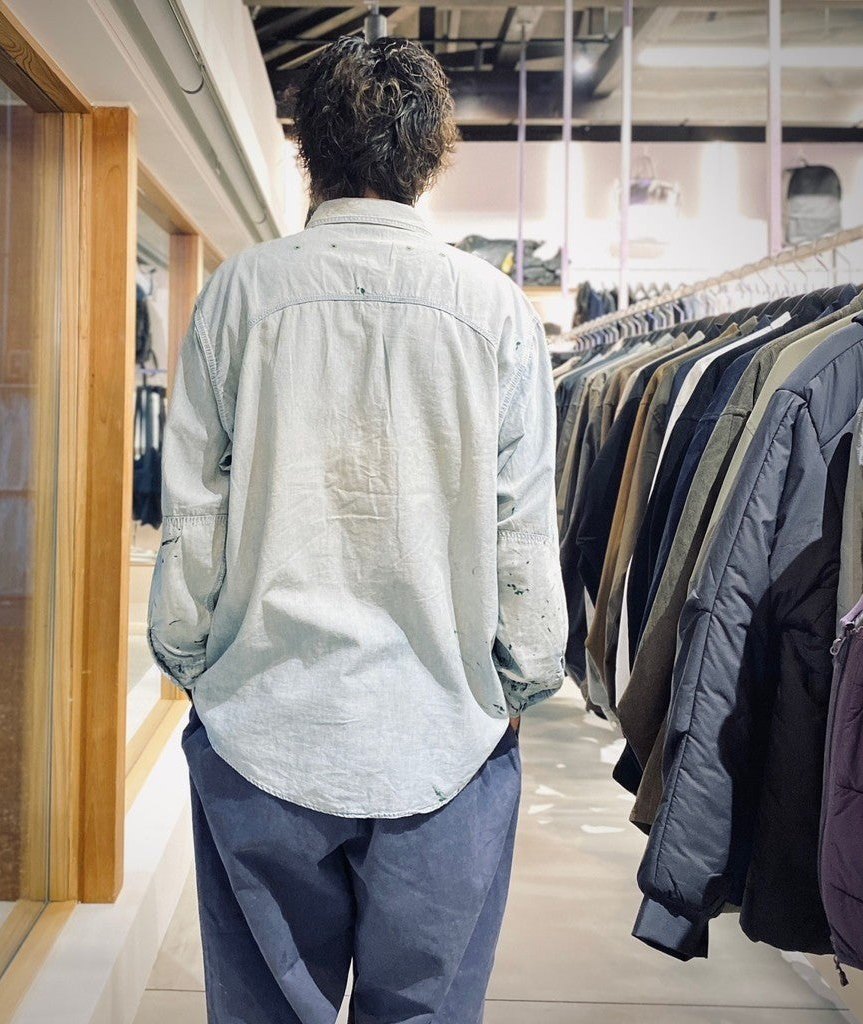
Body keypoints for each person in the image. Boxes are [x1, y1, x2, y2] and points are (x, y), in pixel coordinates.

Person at [148, 33, 566, 1024]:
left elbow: (194, 505)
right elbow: (521, 527)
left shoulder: (240, 294)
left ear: (307, 149)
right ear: (430, 154)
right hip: (445, 733)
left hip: (264, 721)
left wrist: (194, 659)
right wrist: (520, 678)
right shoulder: (497, 309)